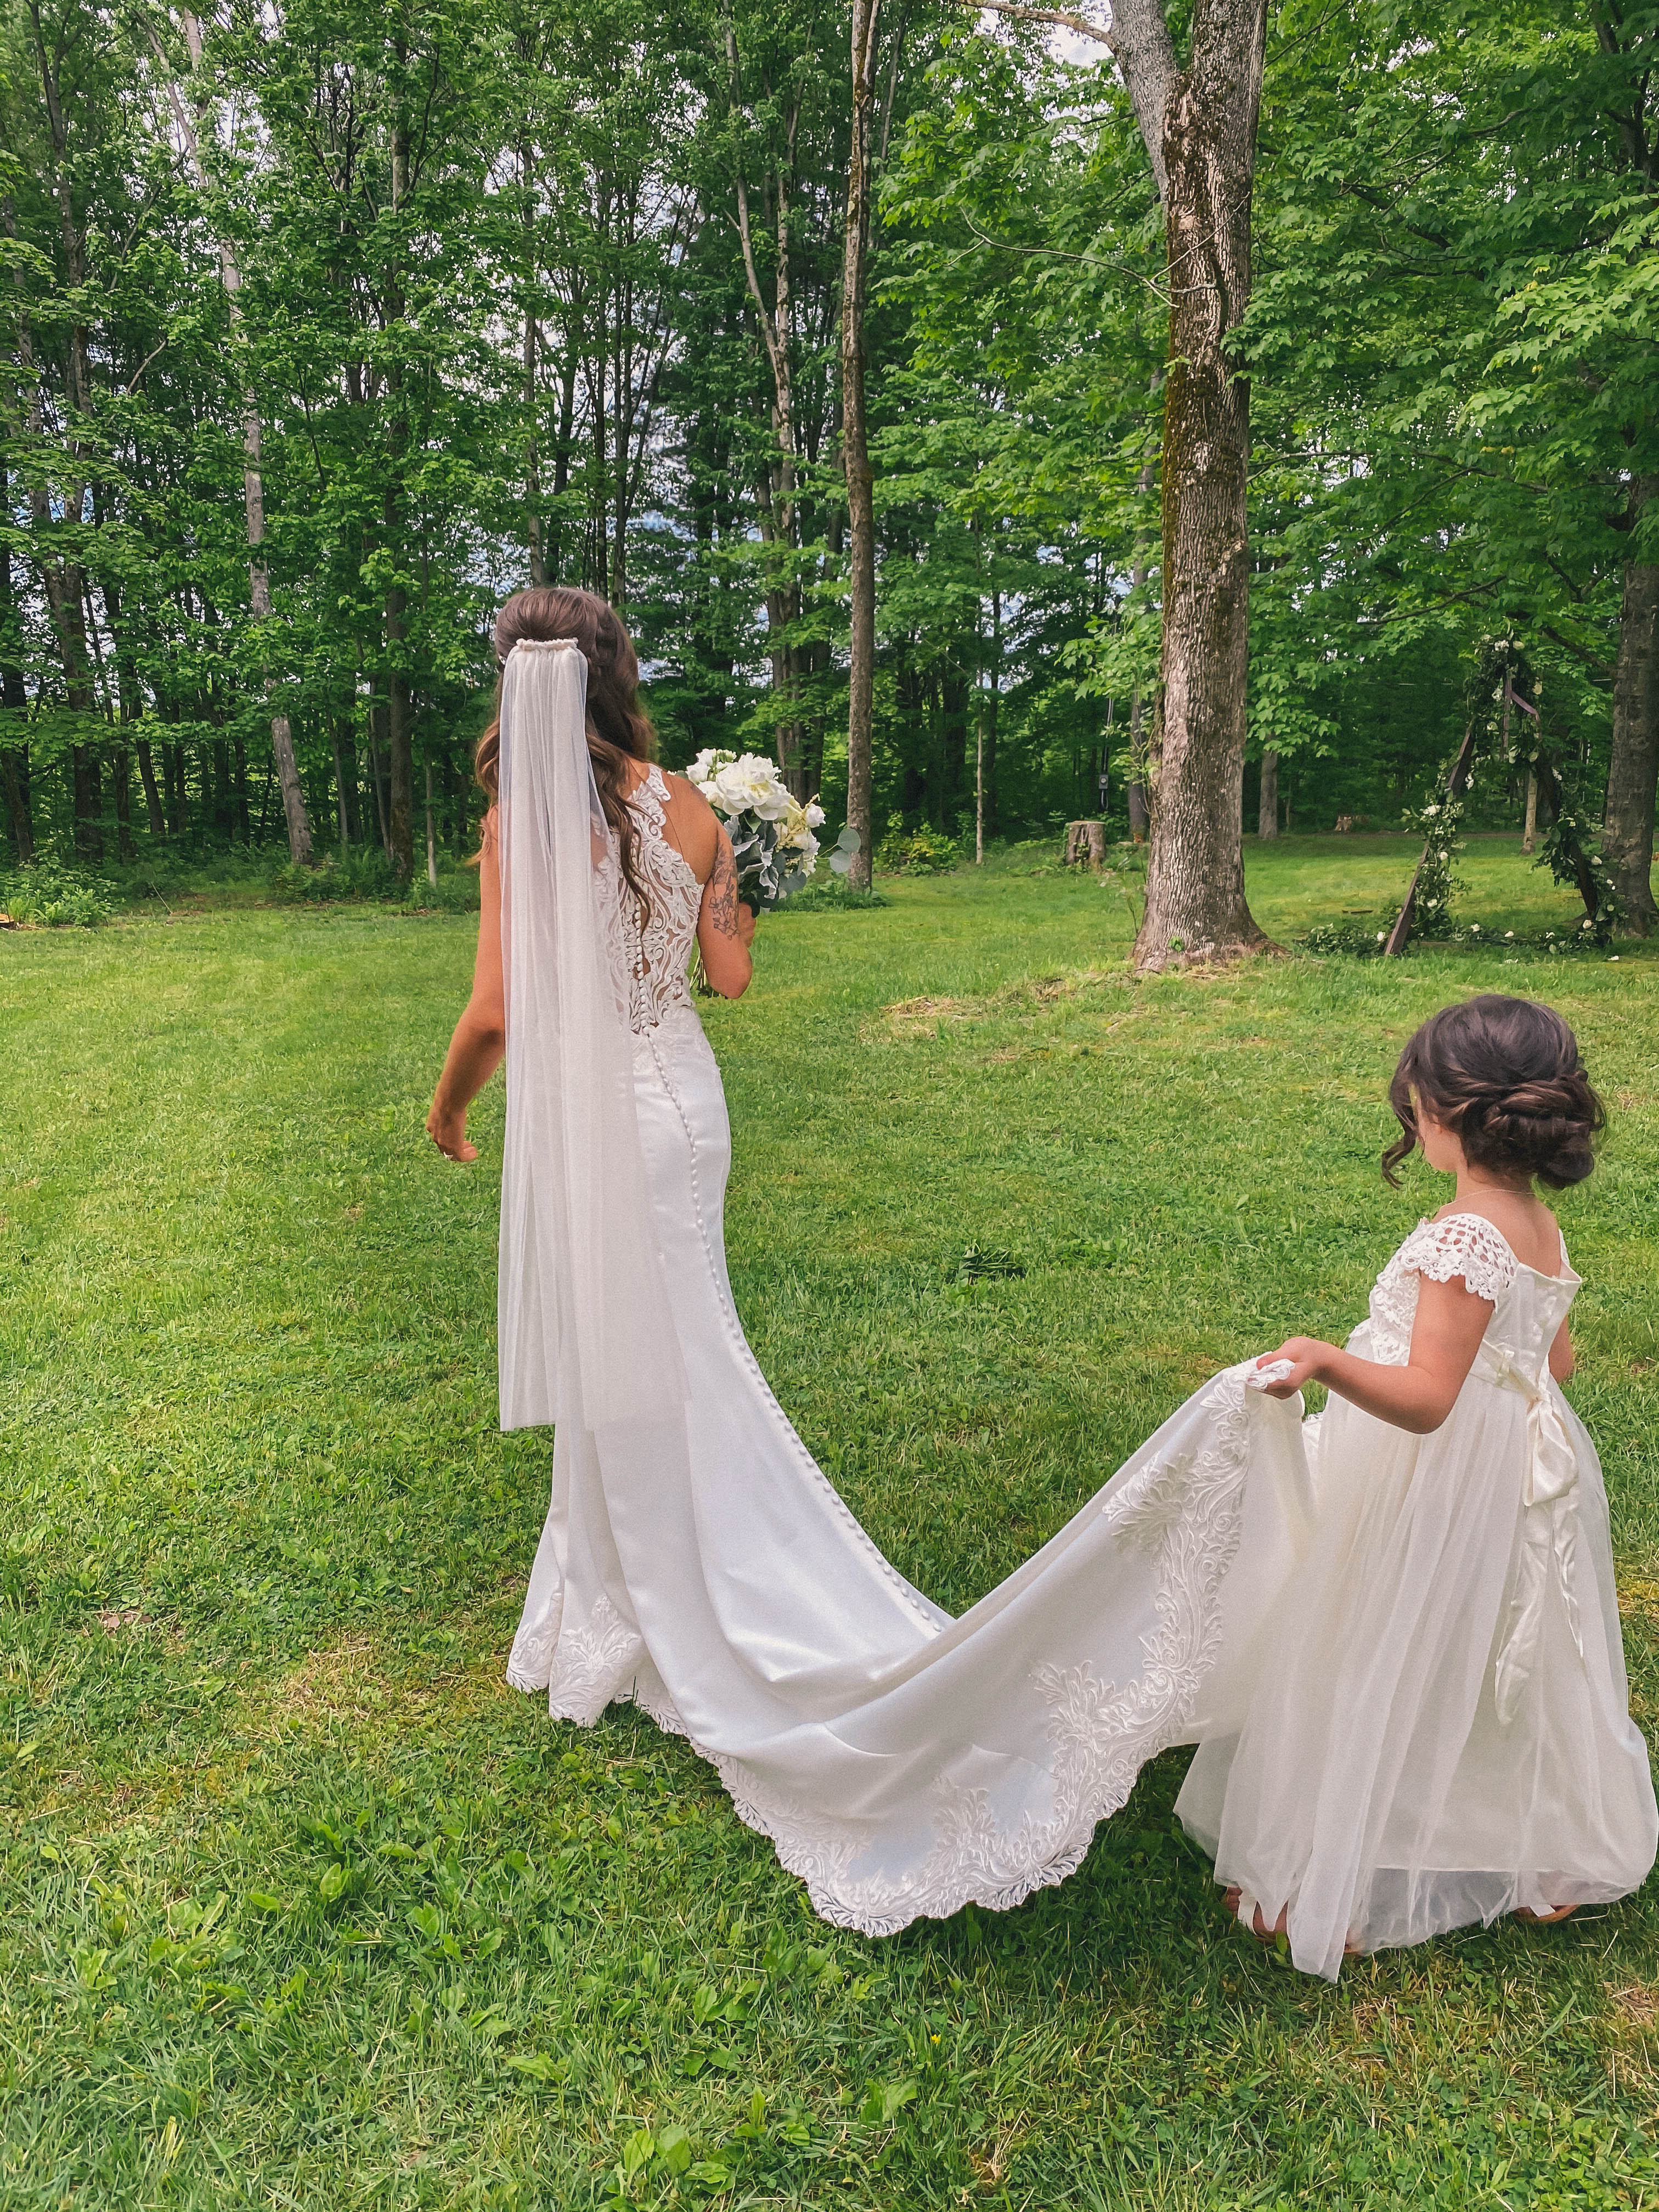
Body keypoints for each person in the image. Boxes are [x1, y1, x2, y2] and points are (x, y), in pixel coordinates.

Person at [430, 589, 1654, 1972]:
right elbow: (731, 982)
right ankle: (626, 1577)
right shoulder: (697, 811)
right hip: (686, 1118)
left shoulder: (511, 829)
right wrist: (729, 894)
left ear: (516, 686)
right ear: (619, 673)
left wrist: (449, 1110)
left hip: (597, 1128)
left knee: (634, 1354)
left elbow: (493, 1011)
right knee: (691, 1346)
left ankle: (638, 1592)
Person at [1178, 994, 1657, 1977]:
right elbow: (1552, 1367)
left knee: (1382, 1640)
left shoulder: (1465, 1236)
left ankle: (1332, 1873)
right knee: (1501, 1648)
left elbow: (1431, 1398)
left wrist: (1323, 1359)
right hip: (1521, 1468)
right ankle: (1548, 1840)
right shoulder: (1538, 1225)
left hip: (1427, 1477)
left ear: (1449, 1112)